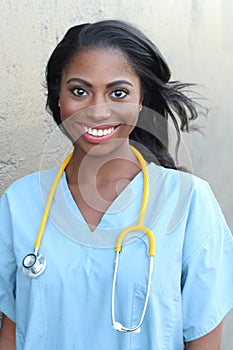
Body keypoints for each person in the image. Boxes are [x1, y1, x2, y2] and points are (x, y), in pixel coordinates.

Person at [0, 19, 232, 350]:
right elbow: (12, 332)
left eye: (118, 92)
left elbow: (204, 341)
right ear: (58, 98)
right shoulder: (18, 204)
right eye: (79, 91)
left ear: (141, 100)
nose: (97, 111)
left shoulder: (190, 203)